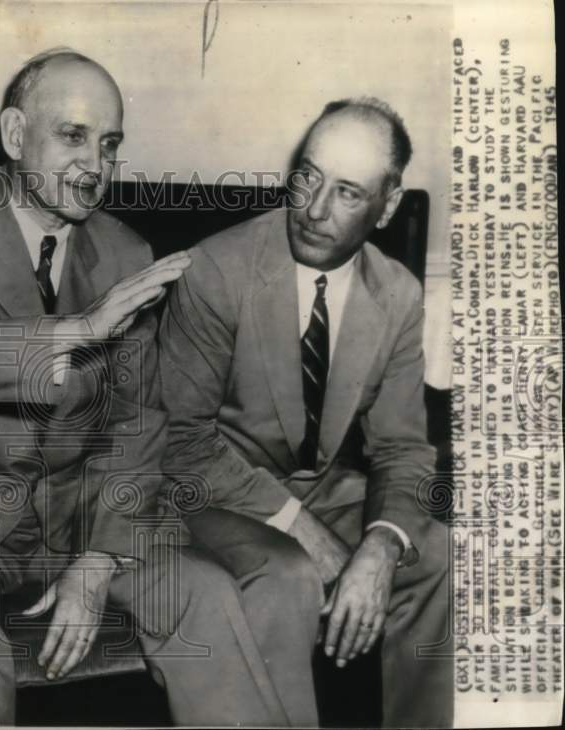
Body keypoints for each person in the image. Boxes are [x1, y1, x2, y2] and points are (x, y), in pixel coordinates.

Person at [0, 48, 317, 726]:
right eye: (72, 136)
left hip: (73, 517)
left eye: (110, 143)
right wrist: (76, 330)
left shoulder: (125, 250)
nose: (95, 165)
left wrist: (97, 560)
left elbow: (137, 422)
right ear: (14, 135)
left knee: (205, 591)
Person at [159, 97, 452, 727]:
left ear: (388, 206)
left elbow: (403, 448)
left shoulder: (397, 292)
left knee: (438, 555)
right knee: (290, 568)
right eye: (307, 177)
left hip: (317, 490)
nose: (314, 210)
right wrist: (301, 527)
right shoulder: (217, 270)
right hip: (208, 494)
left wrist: (381, 542)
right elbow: (181, 444)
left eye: (347, 193)